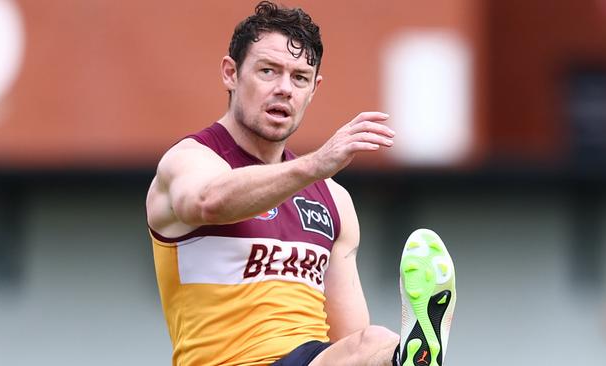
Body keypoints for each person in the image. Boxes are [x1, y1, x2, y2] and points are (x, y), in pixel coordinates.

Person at [145, 2, 456, 365]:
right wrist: (315, 165)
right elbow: (207, 202)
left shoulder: (334, 201)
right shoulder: (189, 160)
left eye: (299, 78)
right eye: (267, 71)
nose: (284, 89)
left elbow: (348, 337)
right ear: (231, 73)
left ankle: (411, 357)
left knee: (374, 344)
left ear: (313, 88)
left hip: (306, 359)